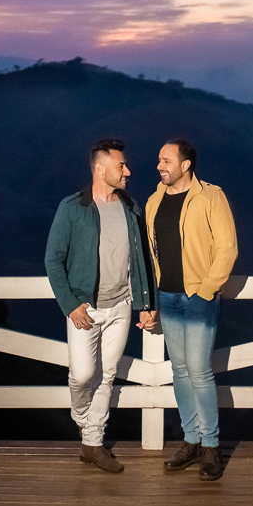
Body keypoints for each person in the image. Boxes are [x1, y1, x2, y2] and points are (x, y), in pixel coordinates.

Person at [45, 138, 155, 472]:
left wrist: (145, 304)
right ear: (100, 168)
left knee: (106, 377)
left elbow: (142, 261)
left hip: (121, 306)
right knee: (81, 375)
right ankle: (83, 420)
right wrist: (70, 305)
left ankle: (93, 443)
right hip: (85, 309)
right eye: (121, 166)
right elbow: (53, 260)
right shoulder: (72, 208)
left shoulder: (131, 207)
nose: (128, 171)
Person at [145, 138, 237, 481]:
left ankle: (211, 446)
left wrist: (207, 289)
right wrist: (151, 297)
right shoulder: (154, 200)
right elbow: (150, 252)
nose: (159, 165)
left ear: (186, 165)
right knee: (180, 371)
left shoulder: (212, 196)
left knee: (199, 371)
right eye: (159, 160)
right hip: (166, 296)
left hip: (198, 297)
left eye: (166, 160)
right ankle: (192, 441)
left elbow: (227, 248)